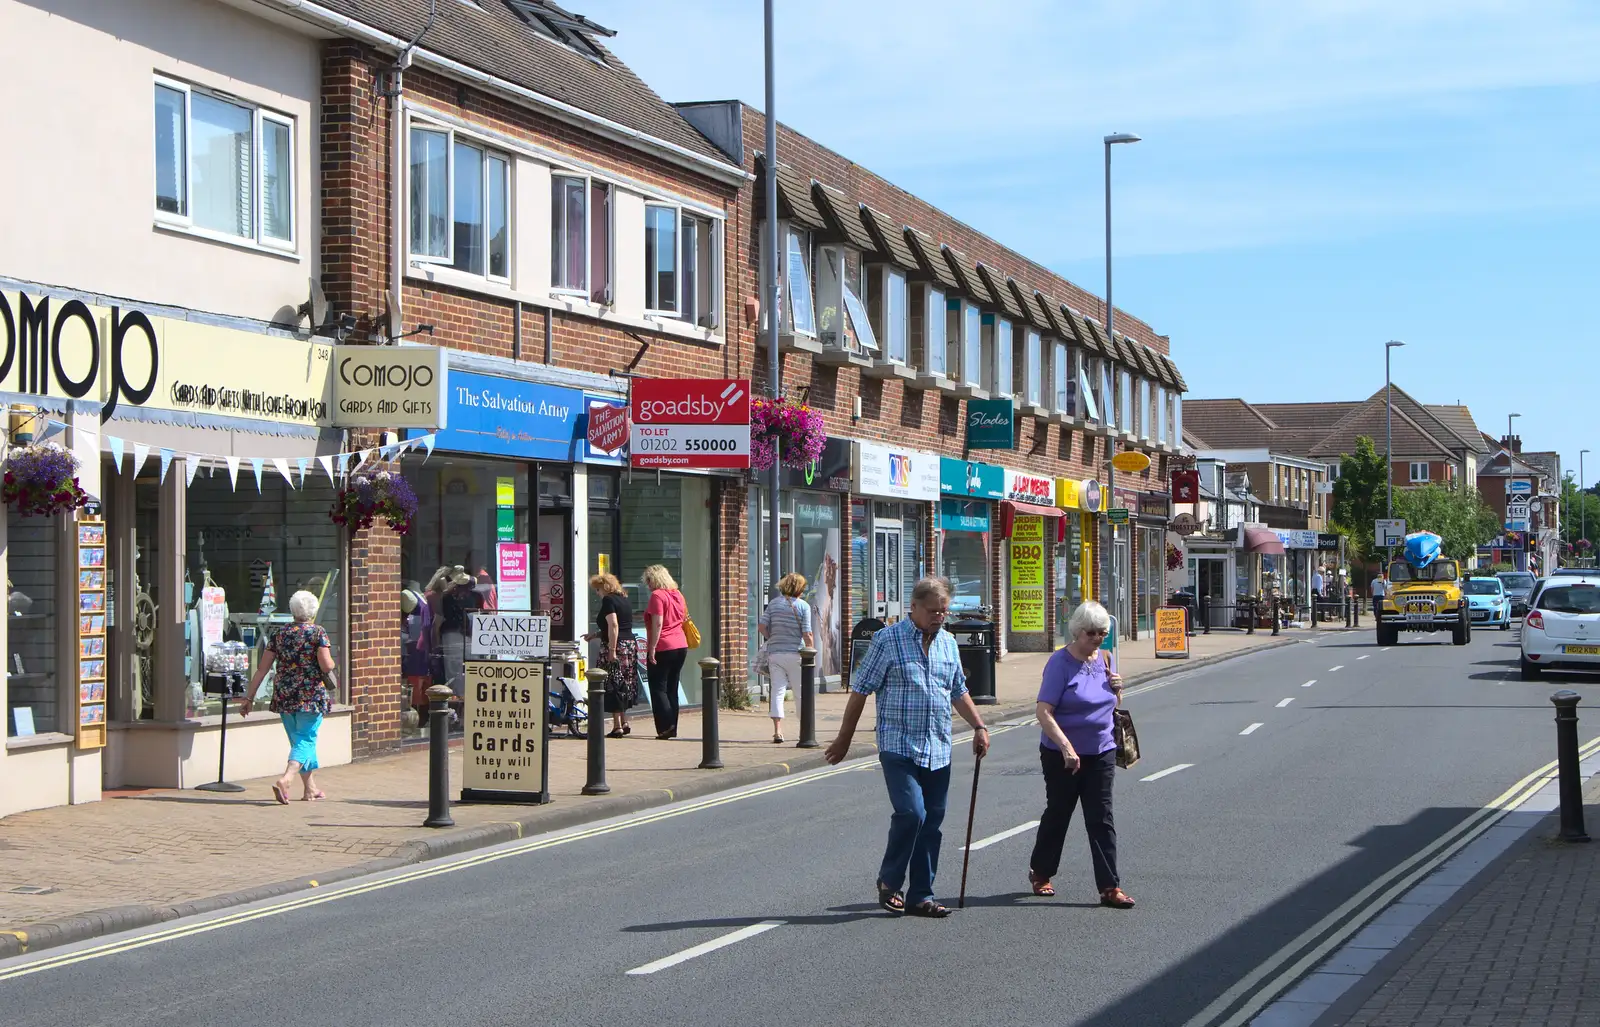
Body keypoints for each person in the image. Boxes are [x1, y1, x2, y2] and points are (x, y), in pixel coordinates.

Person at [825, 577, 990, 919]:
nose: (939, 617)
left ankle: (921, 895)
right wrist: (844, 738)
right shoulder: (887, 640)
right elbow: (860, 691)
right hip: (898, 745)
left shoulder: (947, 643)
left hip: (939, 748)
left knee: (932, 823)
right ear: (912, 607)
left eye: (944, 611)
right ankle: (890, 881)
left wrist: (979, 726)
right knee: (912, 813)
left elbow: (958, 690)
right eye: (933, 611)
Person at [1027, 600, 1135, 909]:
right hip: (1061, 753)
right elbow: (1043, 711)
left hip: (1101, 751)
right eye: (1092, 633)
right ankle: (1041, 872)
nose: (1098, 639)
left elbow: (1110, 707)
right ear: (1077, 631)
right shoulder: (1060, 664)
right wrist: (1066, 748)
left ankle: (1110, 887)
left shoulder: (1107, 658)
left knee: (1101, 818)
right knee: (1059, 812)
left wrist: (1118, 689)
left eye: (1103, 633)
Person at [240, 590, 336, 804]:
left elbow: (261, 670)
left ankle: (310, 789)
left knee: (299, 741)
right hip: (310, 696)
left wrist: (249, 698)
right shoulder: (317, 633)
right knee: (305, 740)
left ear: (293, 610)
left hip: (284, 695)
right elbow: (326, 665)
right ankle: (286, 779)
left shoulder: (279, 634)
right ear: (312, 610)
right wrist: (332, 663)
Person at [759, 572, 814, 743]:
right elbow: (807, 633)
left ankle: (778, 731)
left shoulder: (774, 604)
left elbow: (761, 626)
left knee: (777, 691)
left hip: (775, 653)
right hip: (796, 653)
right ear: (800, 589)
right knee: (800, 693)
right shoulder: (803, 606)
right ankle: (804, 731)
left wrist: (772, 638)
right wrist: (811, 649)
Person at [585, 573, 638, 737]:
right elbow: (620, 627)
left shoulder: (608, 600)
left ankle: (617, 726)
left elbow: (614, 626)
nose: (597, 593)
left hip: (617, 647)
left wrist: (611, 650)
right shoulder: (624, 599)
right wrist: (594, 635)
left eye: (598, 589)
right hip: (629, 645)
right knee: (624, 683)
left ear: (605, 587)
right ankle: (625, 720)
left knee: (612, 683)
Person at [642, 565, 690, 740]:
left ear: (654, 580)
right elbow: (683, 617)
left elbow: (658, 623)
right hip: (680, 645)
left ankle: (665, 726)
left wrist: (652, 647)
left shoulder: (657, 596)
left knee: (658, 688)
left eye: (648, 580)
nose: (647, 585)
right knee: (672, 687)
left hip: (664, 644)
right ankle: (673, 726)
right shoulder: (678, 594)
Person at [437, 566, 482, 711]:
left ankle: (464, 700)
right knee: (454, 668)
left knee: (466, 668)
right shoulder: (448, 597)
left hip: (466, 635)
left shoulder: (472, 597)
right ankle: (456, 701)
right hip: (454, 634)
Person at [400, 587, 433, 720]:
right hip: (416, 652)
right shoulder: (420, 606)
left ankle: (419, 711)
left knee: (418, 685)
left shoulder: (418, 609)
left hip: (417, 653)